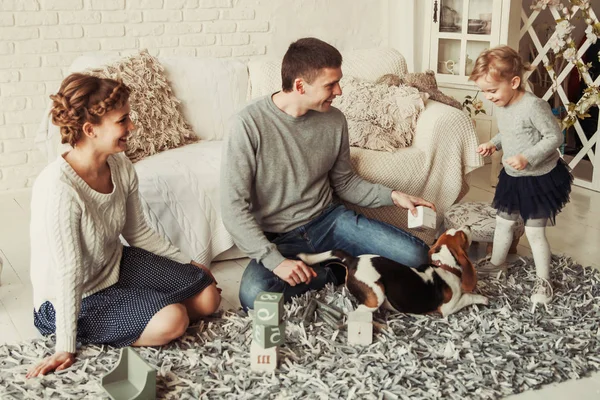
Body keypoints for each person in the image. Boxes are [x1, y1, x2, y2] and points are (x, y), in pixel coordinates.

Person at [27, 73, 221, 378]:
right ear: (90, 129)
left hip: (114, 264)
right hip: (74, 295)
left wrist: (189, 263)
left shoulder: (119, 164)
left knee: (208, 296)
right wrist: (65, 346)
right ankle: (128, 315)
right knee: (175, 319)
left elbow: (137, 232)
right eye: (123, 120)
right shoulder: (59, 189)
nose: (131, 127)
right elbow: (69, 272)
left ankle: (137, 306)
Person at [220, 37, 436, 311]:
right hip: (280, 238)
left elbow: (345, 182)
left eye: (338, 82)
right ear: (300, 85)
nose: (339, 91)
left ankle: (335, 265)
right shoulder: (247, 124)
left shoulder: (334, 120)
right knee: (255, 295)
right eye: (330, 84)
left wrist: (392, 196)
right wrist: (276, 262)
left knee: (416, 255)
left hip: (330, 222)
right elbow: (232, 208)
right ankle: (336, 270)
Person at [470, 46, 573, 306]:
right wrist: (494, 143)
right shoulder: (503, 103)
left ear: (514, 82)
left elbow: (554, 137)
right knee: (503, 223)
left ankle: (543, 280)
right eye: (483, 91)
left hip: (539, 177)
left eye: (491, 90)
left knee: (534, 232)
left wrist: (528, 157)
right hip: (513, 176)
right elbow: (509, 132)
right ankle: (496, 264)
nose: (488, 97)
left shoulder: (533, 106)